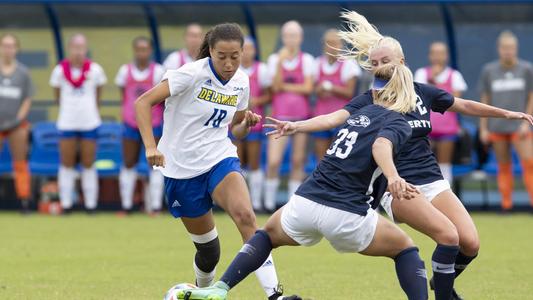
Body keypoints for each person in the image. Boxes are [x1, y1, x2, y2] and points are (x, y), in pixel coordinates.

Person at [249, 11, 531, 300]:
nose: (381, 67)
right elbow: (333, 118)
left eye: (386, 61)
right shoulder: (371, 99)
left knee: (470, 244)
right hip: (397, 184)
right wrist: (297, 125)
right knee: (448, 237)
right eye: (375, 63)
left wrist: (507, 113)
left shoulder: (422, 92)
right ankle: (446, 294)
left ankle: (442, 280)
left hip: (431, 179)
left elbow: (466, 106)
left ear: (402, 62)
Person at [173, 63, 428, 300]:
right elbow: (381, 145)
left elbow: (331, 119)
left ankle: (219, 288)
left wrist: (296, 126)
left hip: (306, 201)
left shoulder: (360, 112)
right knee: (406, 250)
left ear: (374, 89)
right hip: (348, 214)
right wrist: (394, 176)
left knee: (265, 236)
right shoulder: (399, 120)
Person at [134, 23, 300, 300]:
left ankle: (275, 295)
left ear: (242, 52)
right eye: (221, 56)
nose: (228, 63)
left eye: (235, 56)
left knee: (247, 218)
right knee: (209, 251)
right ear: (210, 51)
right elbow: (142, 102)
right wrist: (151, 147)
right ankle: (201, 292)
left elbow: (234, 129)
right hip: (182, 171)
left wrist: (245, 125)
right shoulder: (189, 74)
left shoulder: (242, 81)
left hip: (219, 158)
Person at [50, 33, 107, 213]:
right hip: (67, 122)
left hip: (89, 121)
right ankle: (66, 204)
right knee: (66, 163)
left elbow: (98, 94)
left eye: (81, 47)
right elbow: (57, 96)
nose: (78, 51)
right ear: (69, 48)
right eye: (75, 47)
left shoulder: (95, 70)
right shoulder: (59, 70)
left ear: (86, 49)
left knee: (88, 163)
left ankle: (90, 205)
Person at [479, 31, 533, 213]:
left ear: (516, 49)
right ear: (499, 49)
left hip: (520, 127)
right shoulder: (489, 71)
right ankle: (506, 205)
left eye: (511, 48)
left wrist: (526, 121)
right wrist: (483, 128)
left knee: (529, 163)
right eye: (504, 48)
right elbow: (484, 100)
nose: (508, 51)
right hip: (497, 126)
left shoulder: (526, 69)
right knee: (503, 165)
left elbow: (531, 97)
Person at [265, 20, 314, 212]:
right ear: (283, 37)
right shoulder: (274, 59)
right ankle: (267, 205)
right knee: (274, 161)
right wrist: (279, 64)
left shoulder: (307, 60)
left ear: (300, 38)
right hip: (279, 117)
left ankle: (293, 205)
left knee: (297, 161)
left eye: (294, 35)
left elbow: (308, 88)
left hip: (301, 118)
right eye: (287, 35)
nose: (291, 39)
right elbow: (275, 87)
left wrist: (286, 86)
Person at [115, 36, 166, 215]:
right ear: (134, 50)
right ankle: (126, 206)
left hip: (154, 123)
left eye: (145, 49)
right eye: (138, 49)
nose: (141, 53)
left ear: (150, 51)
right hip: (130, 123)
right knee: (128, 163)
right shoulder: (124, 71)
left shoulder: (159, 71)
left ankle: (156, 206)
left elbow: (163, 98)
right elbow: (125, 95)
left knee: (155, 164)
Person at [414, 42, 468, 185]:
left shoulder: (455, 75)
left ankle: (446, 198)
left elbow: (454, 101)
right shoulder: (420, 74)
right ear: (429, 56)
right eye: (434, 53)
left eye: (441, 53)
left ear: (446, 56)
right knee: (423, 164)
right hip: (425, 128)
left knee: (444, 166)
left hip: (447, 129)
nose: (438, 57)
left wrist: (435, 83)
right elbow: (419, 98)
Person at [234, 37, 271, 211]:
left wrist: (257, 100)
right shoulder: (233, 70)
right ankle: (239, 201)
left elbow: (269, 95)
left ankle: (256, 202)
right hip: (233, 121)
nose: (247, 52)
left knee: (254, 162)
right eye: (245, 49)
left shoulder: (261, 70)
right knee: (237, 162)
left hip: (254, 121)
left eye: (250, 49)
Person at [312, 29, 359, 160]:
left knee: (339, 159)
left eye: (335, 43)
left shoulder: (349, 64)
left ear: (341, 45)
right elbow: (313, 90)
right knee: (321, 159)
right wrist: (319, 90)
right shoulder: (317, 63)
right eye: (329, 43)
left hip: (341, 119)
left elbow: (349, 92)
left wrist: (330, 87)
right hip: (321, 117)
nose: (332, 47)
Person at [0, 33, 34, 213]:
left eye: (11, 46)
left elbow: (27, 99)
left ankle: (24, 201)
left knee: (20, 164)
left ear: (17, 49)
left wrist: (18, 120)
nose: (8, 49)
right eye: (4, 45)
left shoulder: (23, 73)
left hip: (16, 126)